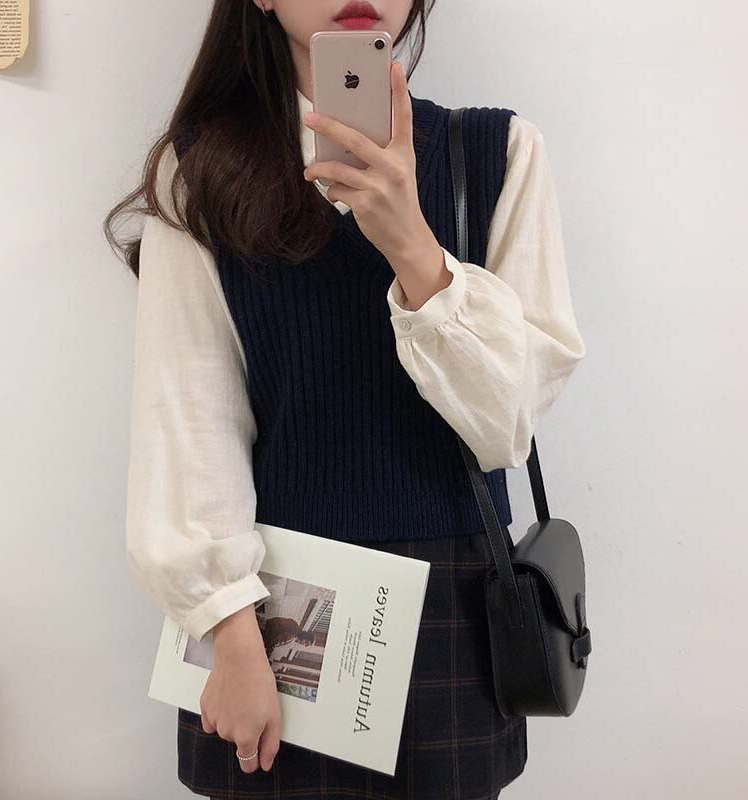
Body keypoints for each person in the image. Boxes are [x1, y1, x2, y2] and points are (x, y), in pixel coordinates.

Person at [106, 1, 586, 797]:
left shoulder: (498, 154)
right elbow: (187, 421)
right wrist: (229, 632)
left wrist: (413, 246)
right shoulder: (202, 175)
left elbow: (506, 427)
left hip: (453, 602)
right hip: (270, 616)